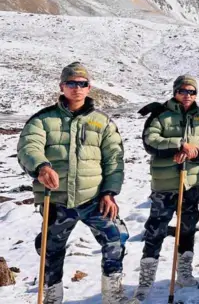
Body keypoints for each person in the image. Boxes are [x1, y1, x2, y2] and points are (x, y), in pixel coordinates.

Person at [17, 62, 130, 304]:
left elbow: (114, 159)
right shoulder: (42, 120)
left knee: (116, 237)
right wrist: (41, 166)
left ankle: (113, 296)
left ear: (89, 88)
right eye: (71, 83)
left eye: (82, 84)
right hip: (56, 199)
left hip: (94, 199)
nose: (77, 88)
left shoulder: (103, 122)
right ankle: (51, 297)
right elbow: (28, 146)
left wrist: (109, 192)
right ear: (62, 86)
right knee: (51, 251)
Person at [133, 75, 199, 301]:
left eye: (192, 92)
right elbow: (150, 140)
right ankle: (146, 279)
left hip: (191, 181)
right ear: (175, 92)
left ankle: (184, 272)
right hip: (165, 183)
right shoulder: (161, 114)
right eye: (183, 91)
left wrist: (196, 151)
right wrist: (178, 145)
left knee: (188, 226)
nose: (188, 95)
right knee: (156, 228)